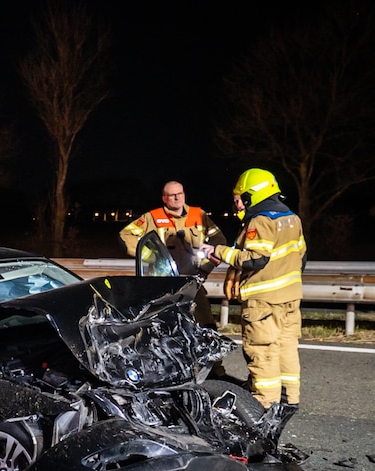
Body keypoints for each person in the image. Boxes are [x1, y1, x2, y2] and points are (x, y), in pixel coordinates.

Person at [199, 168, 306, 418]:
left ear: (250, 196)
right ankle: (289, 397)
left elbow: (255, 259)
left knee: (263, 351)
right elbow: (301, 257)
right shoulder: (291, 217)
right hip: (290, 298)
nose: (236, 204)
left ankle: (263, 405)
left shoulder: (261, 221)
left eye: (238, 198)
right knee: (286, 347)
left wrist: (221, 252)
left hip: (264, 302)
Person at [119, 181, 226, 327]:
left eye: (180, 194)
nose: (177, 198)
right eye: (172, 195)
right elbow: (125, 236)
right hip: (163, 284)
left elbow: (219, 242)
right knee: (165, 327)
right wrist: (152, 258)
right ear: (164, 198)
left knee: (205, 325)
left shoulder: (198, 215)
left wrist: (205, 268)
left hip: (193, 281)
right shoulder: (153, 217)